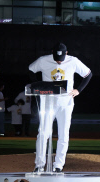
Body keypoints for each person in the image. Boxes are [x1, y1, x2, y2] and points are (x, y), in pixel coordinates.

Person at [29, 42, 92, 173]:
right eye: (56, 59)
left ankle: (58, 165)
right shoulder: (43, 60)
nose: (58, 62)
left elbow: (88, 74)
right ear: (52, 52)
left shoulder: (73, 61)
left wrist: (78, 90)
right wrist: (38, 85)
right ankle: (39, 164)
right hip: (48, 101)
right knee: (43, 133)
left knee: (63, 134)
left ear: (66, 53)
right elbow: (30, 69)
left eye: (61, 59)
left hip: (66, 103)